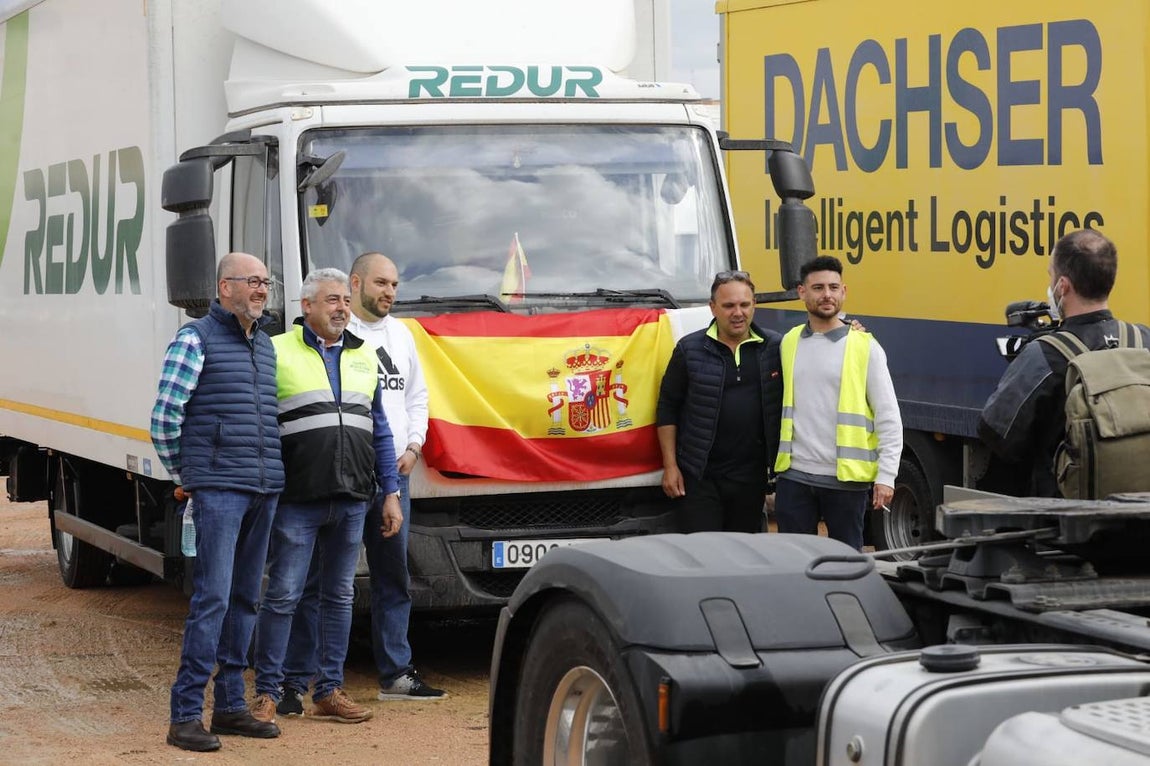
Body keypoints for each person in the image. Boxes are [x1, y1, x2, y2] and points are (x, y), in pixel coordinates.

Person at [274, 252, 446, 714]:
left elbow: (415, 397)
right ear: (354, 285)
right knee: (309, 584)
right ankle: (298, 681)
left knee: (390, 577)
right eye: (380, 283)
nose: (389, 292)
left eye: (395, 284)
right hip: (325, 479)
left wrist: (412, 449)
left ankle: (394, 673)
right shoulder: (324, 342)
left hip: (385, 475)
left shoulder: (398, 338)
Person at [248, 268, 403, 725]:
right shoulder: (275, 351)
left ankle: (329, 689)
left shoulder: (364, 355)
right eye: (331, 299)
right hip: (297, 498)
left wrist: (390, 492)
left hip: (353, 498)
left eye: (344, 300)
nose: (341, 307)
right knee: (284, 596)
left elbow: (381, 431)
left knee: (339, 597)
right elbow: (258, 425)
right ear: (306, 307)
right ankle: (268, 692)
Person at [151, 252, 284, 752]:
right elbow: (165, 416)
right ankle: (185, 715)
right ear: (223, 288)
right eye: (251, 281)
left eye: (265, 282)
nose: (261, 289)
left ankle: (229, 707)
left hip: (264, 486)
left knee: (247, 598)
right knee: (213, 599)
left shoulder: (265, 345)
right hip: (220, 490)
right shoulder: (194, 339)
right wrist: (188, 475)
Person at [979, 229, 1150, 496]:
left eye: (1051, 274)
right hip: (1140, 513)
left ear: (1063, 286)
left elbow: (996, 433)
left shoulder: (1046, 354)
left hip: (1069, 520)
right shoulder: (1143, 341)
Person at [773, 255, 903, 551]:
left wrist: (887, 477)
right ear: (801, 292)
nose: (827, 295)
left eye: (833, 287)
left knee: (846, 567)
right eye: (818, 288)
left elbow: (888, 416)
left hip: (845, 482)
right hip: (794, 477)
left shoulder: (865, 346)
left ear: (844, 291)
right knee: (793, 564)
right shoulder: (789, 342)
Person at [656, 270, 783, 533]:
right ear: (713, 308)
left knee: (744, 555)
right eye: (729, 306)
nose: (738, 313)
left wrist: (851, 328)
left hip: (751, 478)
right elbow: (667, 408)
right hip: (699, 477)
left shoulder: (775, 347)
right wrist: (670, 466)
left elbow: (816, 340)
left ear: (754, 305)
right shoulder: (689, 349)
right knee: (704, 556)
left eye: (744, 304)